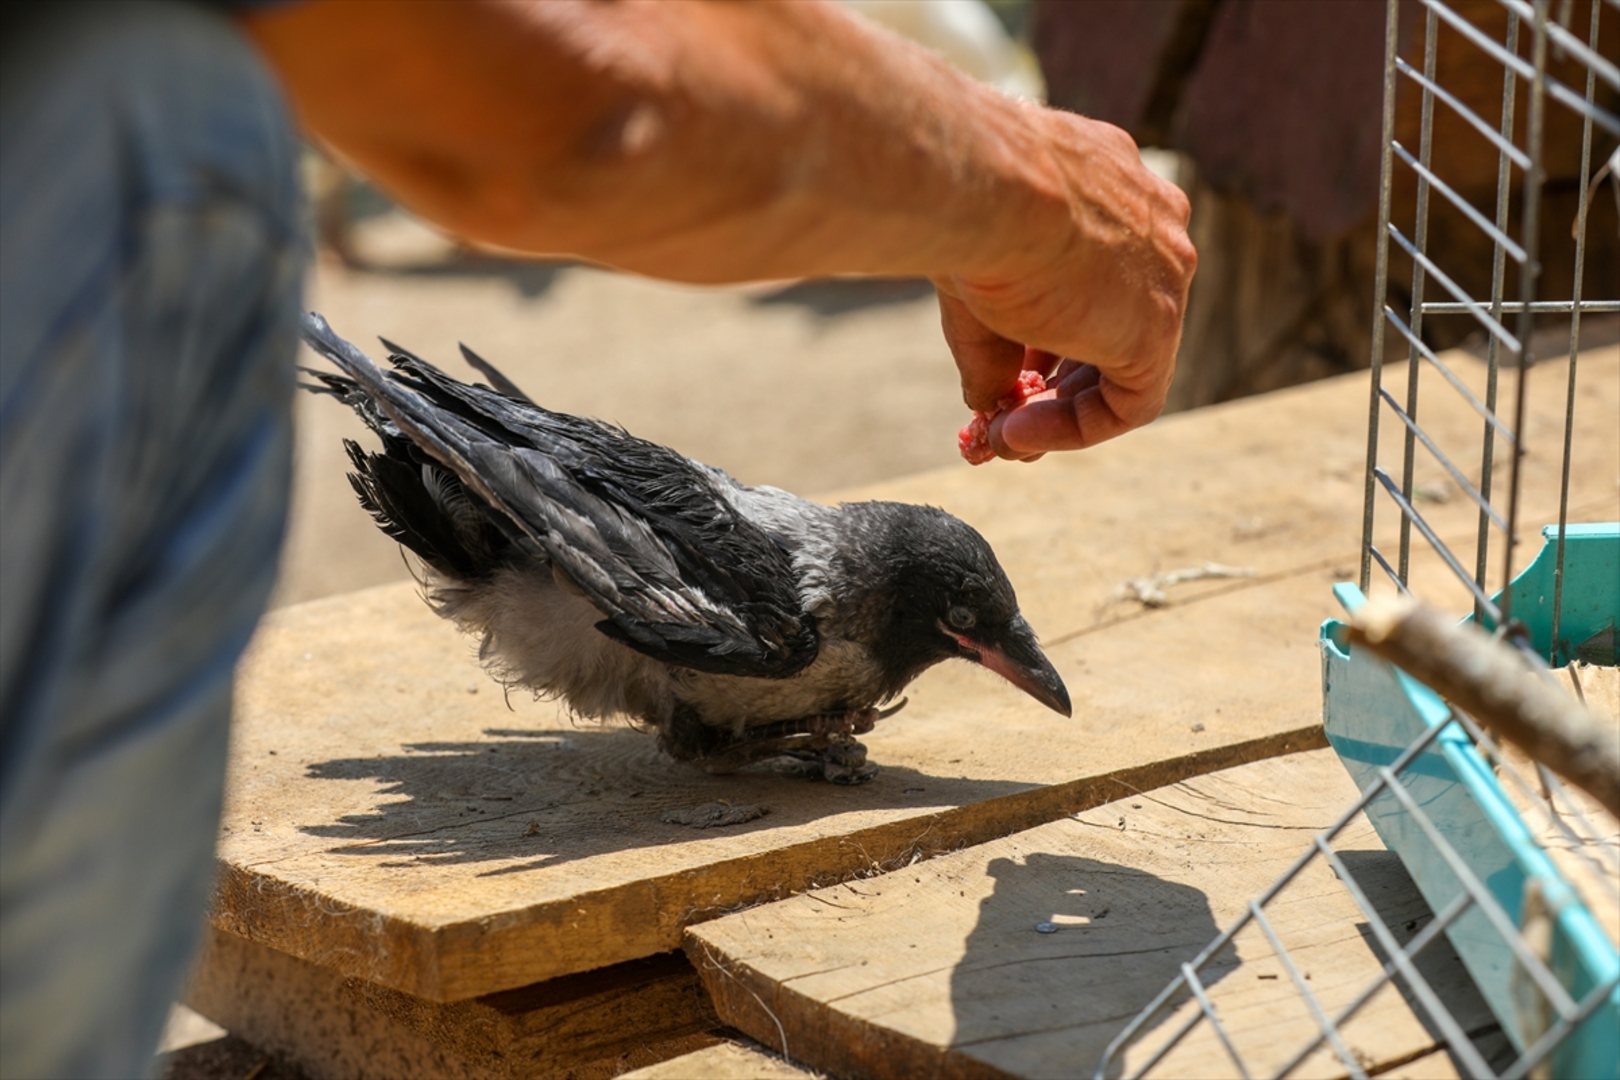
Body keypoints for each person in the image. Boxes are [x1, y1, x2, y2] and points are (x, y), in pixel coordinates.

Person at [0, 2, 1193, 1076]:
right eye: (982, 639)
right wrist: (1025, 195)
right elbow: (585, 100)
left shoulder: (820, 597)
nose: (1005, 661)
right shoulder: (792, 611)